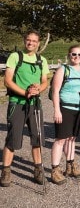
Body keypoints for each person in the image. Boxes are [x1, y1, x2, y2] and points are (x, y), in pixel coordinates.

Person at [1, 29, 50, 187]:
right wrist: (25, 93)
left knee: (37, 137)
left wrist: (38, 90)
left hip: (35, 104)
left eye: (34, 41)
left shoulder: (42, 60)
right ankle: (6, 170)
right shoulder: (16, 56)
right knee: (13, 138)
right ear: (24, 40)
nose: (31, 43)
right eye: (29, 40)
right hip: (18, 102)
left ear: (38, 43)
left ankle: (37, 169)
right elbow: (8, 81)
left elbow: (45, 81)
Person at [50, 45, 80, 185]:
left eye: (79, 55)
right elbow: (55, 91)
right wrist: (57, 110)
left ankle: (70, 165)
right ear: (69, 55)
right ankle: (55, 169)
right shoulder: (63, 70)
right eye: (74, 54)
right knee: (60, 139)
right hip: (65, 108)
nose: (76, 57)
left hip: (79, 108)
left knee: (72, 138)